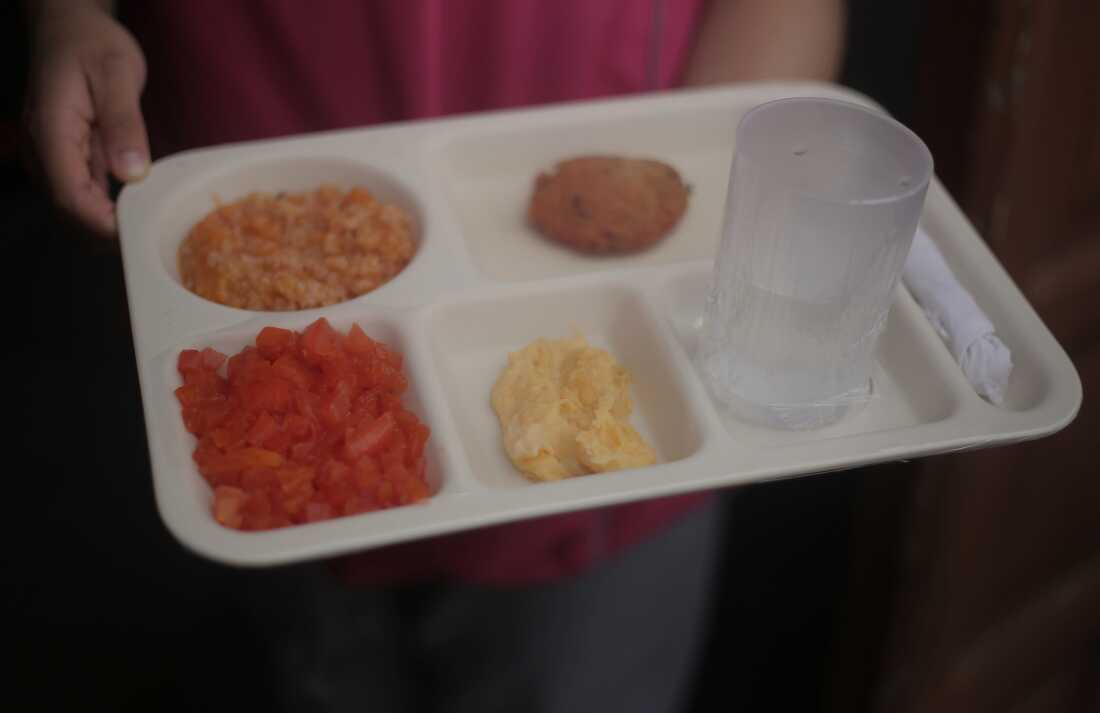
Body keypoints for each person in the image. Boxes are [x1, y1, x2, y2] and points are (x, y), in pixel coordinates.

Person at [24, 2, 845, 711]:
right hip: (234, 209)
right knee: (321, 674)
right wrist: (63, 16)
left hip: (608, 523)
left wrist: (708, 171)